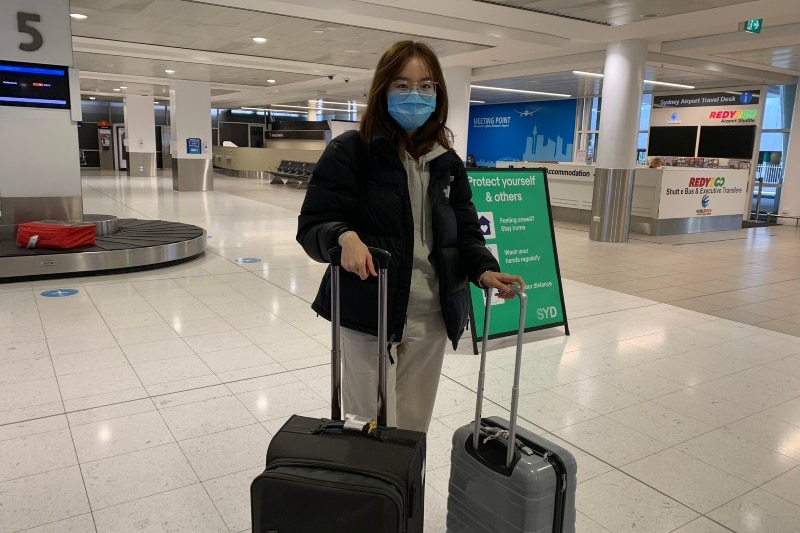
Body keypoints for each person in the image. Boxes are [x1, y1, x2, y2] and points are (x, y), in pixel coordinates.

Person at [297, 40, 524, 433]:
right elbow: (314, 225)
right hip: (372, 308)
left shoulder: (448, 163)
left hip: (432, 315)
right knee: (367, 425)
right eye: (402, 85)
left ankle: (405, 494)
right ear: (382, 90)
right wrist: (343, 237)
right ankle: (370, 495)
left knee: (413, 427)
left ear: (438, 93)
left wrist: (484, 270)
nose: (414, 95)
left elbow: (466, 230)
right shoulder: (352, 151)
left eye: (426, 86)